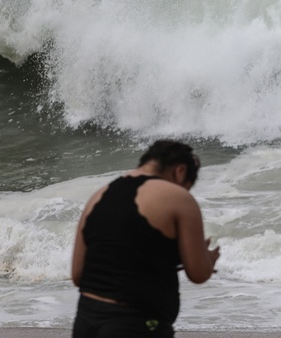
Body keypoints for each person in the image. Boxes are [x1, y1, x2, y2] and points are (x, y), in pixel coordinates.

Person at [71, 139, 221, 338]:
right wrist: (207, 259)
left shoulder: (99, 196)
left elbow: (78, 274)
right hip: (135, 324)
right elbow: (198, 274)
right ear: (180, 171)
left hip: (86, 320)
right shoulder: (177, 197)